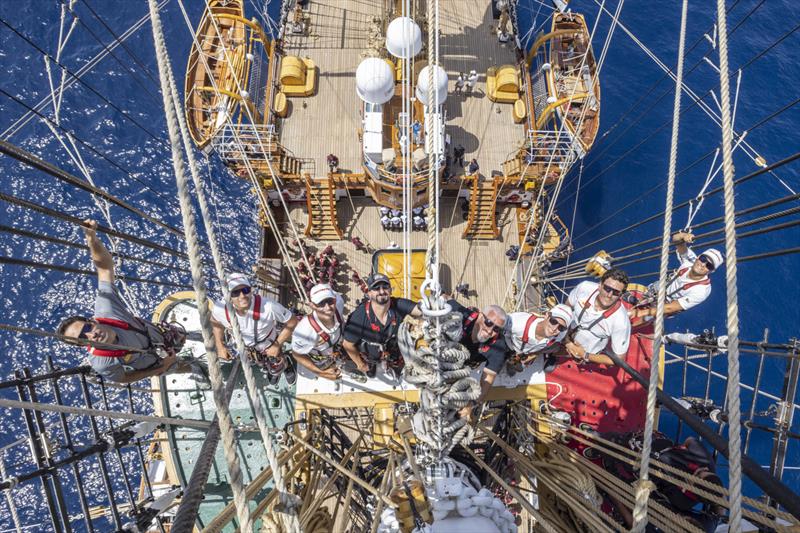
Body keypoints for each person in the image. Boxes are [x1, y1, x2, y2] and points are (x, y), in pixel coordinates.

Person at [57, 220, 204, 385]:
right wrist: (161, 367)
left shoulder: (107, 309)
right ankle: (196, 369)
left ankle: (194, 336)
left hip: (161, 335)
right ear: (83, 345)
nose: (92, 335)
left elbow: (105, 269)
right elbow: (124, 378)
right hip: (155, 362)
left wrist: (91, 239)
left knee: (181, 335)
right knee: (177, 367)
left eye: (87, 328)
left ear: (92, 321)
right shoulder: (102, 363)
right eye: (83, 338)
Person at [598, 430, 724, 532]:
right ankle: (610, 441)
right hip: (657, 448)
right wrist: (718, 499)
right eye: (704, 472)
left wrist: (619, 492)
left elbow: (655, 493)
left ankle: (611, 465)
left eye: (699, 474)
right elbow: (690, 440)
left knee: (630, 474)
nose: (703, 469)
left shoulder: (681, 502)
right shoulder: (705, 461)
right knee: (621, 441)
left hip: (649, 482)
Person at [210, 273, 298, 386]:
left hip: (269, 344)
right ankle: (272, 369)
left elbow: (292, 321)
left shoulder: (268, 306)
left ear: (251, 290)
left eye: (245, 290)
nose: (242, 296)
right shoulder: (220, 309)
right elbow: (215, 322)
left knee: (277, 363)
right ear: (228, 296)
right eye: (235, 292)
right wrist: (220, 345)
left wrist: (277, 344)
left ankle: (284, 365)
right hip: (245, 348)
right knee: (261, 362)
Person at [628, 231, 723, 323]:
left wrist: (639, 313)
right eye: (703, 259)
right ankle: (635, 303)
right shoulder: (690, 261)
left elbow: (670, 307)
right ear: (698, 257)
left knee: (646, 318)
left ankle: (632, 326)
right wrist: (684, 236)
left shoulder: (701, 291)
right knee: (648, 293)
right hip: (661, 288)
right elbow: (675, 239)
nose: (703, 264)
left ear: (712, 271)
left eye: (709, 266)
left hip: (668, 304)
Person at [342, 273, 422, 378]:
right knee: (371, 371)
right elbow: (348, 344)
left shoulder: (398, 305)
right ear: (369, 293)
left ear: (390, 290)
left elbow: (421, 310)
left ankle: (394, 366)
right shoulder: (360, 316)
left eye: (385, 287)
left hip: (393, 354)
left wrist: (438, 305)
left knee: (401, 371)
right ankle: (372, 365)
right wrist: (360, 364)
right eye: (376, 288)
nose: (382, 291)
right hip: (370, 357)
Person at [564, 268, 631, 366]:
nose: (609, 295)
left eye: (616, 292)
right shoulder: (584, 288)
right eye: (607, 288)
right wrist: (566, 340)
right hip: (564, 334)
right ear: (599, 285)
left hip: (588, 353)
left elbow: (618, 360)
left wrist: (585, 355)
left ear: (621, 295)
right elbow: (567, 307)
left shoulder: (621, 322)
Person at [448, 300, 510, 403]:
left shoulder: (498, 346)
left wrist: (473, 404)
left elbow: (487, 379)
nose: (490, 331)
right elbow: (421, 307)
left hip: (465, 364)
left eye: (497, 329)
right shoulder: (462, 315)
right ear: (480, 316)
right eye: (489, 323)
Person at [291, 284, 345, 381]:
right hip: (322, 355)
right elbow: (297, 354)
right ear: (312, 305)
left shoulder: (339, 303)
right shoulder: (304, 331)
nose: (327, 307)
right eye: (321, 303)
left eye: (330, 301)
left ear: (335, 300)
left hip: (340, 344)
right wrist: (321, 373)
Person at [505, 303, 572, 374]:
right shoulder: (518, 323)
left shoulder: (560, 334)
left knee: (555, 347)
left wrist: (534, 355)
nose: (555, 328)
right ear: (546, 316)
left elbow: (563, 337)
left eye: (561, 327)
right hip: (508, 345)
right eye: (553, 321)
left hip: (527, 351)